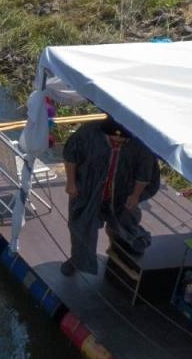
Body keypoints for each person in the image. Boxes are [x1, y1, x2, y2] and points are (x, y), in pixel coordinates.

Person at [61, 117, 160, 276]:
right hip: (89, 192)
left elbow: (144, 172)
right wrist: (71, 182)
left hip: (122, 194)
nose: (118, 139)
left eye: (122, 137)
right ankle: (78, 260)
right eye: (115, 136)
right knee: (81, 226)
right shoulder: (88, 133)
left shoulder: (140, 144)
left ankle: (122, 251)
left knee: (124, 225)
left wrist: (135, 196)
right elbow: (71, 157)